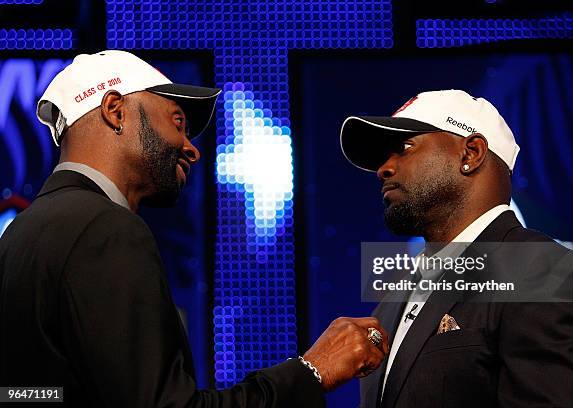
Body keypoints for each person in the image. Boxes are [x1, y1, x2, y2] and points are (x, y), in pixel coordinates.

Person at [0, 50, 389, 408]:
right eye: (178, 122)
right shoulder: (106, 229)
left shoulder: (20, 236)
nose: (192, 147)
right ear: (115, 110)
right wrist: (312, 371)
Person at [340, 90, 573, 407]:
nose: (383, 168)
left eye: (404, 147)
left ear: (471, 153)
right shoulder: (389, 306)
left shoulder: (547, 272)